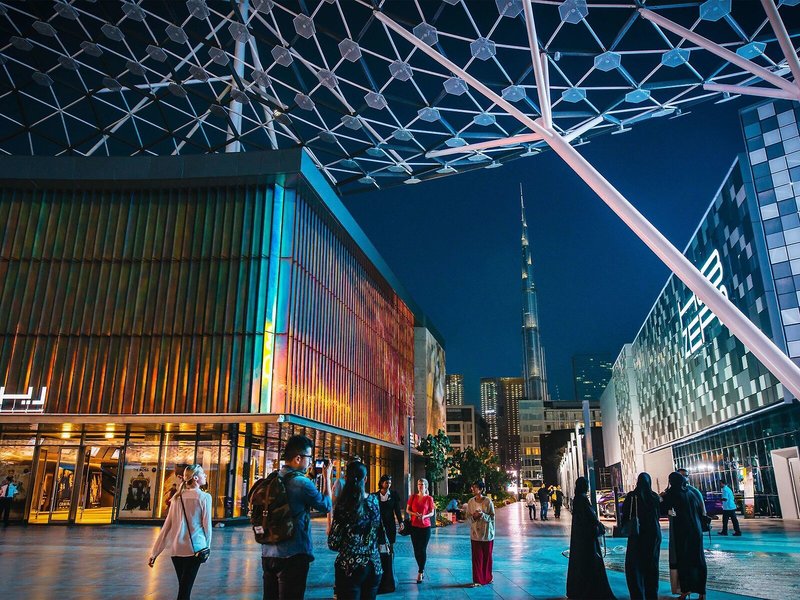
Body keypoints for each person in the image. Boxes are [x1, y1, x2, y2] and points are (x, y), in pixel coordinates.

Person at [261, 435, 333, 600]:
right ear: (298, 458)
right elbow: (326, 506)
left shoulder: (273, 478)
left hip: (268, 552)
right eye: (309, 457)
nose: (310, 462)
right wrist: (327, 479)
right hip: (293, 553)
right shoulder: (302, 483)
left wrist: (311, 477)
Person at [148, 465, 212, 600]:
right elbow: (207, 526)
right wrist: (207, 547)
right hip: (195, 550)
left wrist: (155, 553)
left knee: (183, 588)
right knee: (184, 592)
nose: (205, 475)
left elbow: (167, 527)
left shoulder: (176, 498)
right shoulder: (204, 497)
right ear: (195, 478)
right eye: (202, 473)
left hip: (176, 550)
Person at [328, 461, 383, 600]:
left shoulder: (344, 505)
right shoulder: (374, 501)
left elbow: (333, 543)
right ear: (366, 479)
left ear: (346, 478)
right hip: (374, 565)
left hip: (349, 567)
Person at [566, 477, 615, 600]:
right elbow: (590, 516)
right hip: (587, 539)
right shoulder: (582, 499)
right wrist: (599, 525)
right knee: (591, 563)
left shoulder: (577, 498)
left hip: (581, 538)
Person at [662, 471, 707, 600]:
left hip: (682, 532)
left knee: (683, 561)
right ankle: (702, 592)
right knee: (698, 560)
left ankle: (686, 590)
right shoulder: (692, 492)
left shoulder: (672, 493)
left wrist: (661, 497)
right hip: (696, 530)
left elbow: (661, 508)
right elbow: (701, 511)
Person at [621, 473, 662, 600]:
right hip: (653, 534)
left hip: (637, 535)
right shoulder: (654, 496)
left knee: (635, 567)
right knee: (652, 566)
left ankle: (638, 595)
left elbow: (625, 515)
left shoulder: (632, 496)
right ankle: (652, 595)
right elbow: (659, 514)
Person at [465, 481, 495, 587]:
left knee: (487, 557)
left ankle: (488, 578)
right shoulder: (470, 502)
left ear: (481, 489)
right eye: (472, 487)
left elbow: (492, 517)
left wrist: (482, 515)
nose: (473, 489)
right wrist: (474, 516)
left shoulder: (488, 501)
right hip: (475, 534)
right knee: (477, 558)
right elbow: (468, 517)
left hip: (487, 534)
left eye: (476, 487)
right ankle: (477, 580)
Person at [406, 478, 435, 583]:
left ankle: (420, 571)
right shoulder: (413, 497)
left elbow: (432, 512)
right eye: (419, 484)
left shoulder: (429, 498)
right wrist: (415, 514)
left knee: (422, 549)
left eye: (422, 484)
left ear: (426, 486)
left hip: (425, 527)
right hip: (414, 527)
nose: (420, 486)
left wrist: (424, 516)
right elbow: (407, 510)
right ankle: (420, 568)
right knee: (416, 550)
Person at [373, 475, 403, 545]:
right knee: (379, 543)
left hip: (390, 523)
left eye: (390, 483)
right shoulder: (375, 496)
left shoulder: (394, 495)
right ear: (381, 483)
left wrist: (400, 522)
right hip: (378, 523)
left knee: (390, 542)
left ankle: (390, 552)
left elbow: (397, 510)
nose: (388, 485)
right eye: (386, 483)